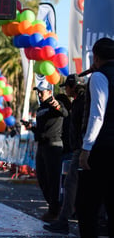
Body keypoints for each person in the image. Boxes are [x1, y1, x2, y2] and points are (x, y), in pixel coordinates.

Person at [68, 37, 114, 238]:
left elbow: (98, 114)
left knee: (87, 204)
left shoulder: (98, 76)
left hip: (102, 148)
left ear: (95, 57)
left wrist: (87, 148)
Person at [43, 74, 86, 235]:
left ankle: (64, 221)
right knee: (74, 186)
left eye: (66, 86)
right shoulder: (79, 101)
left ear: (72, 86)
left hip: (82, 149)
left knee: (70, 185)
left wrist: (83, 147)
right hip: (81, 148)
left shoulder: (82, 102)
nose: (65, 90)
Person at [22, 81, 68, 223]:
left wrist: (57, 105)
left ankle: (55, 211)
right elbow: (41, 129)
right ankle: (53, 207)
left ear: (49, 91)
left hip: (53, 146)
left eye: (42, 92)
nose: (39, 94)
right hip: (42, 146)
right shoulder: (40, 109)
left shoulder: (56, 103)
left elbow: (64, 113)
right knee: (42, 179)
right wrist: (31, 127)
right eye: (38, 92)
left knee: (53, 180)